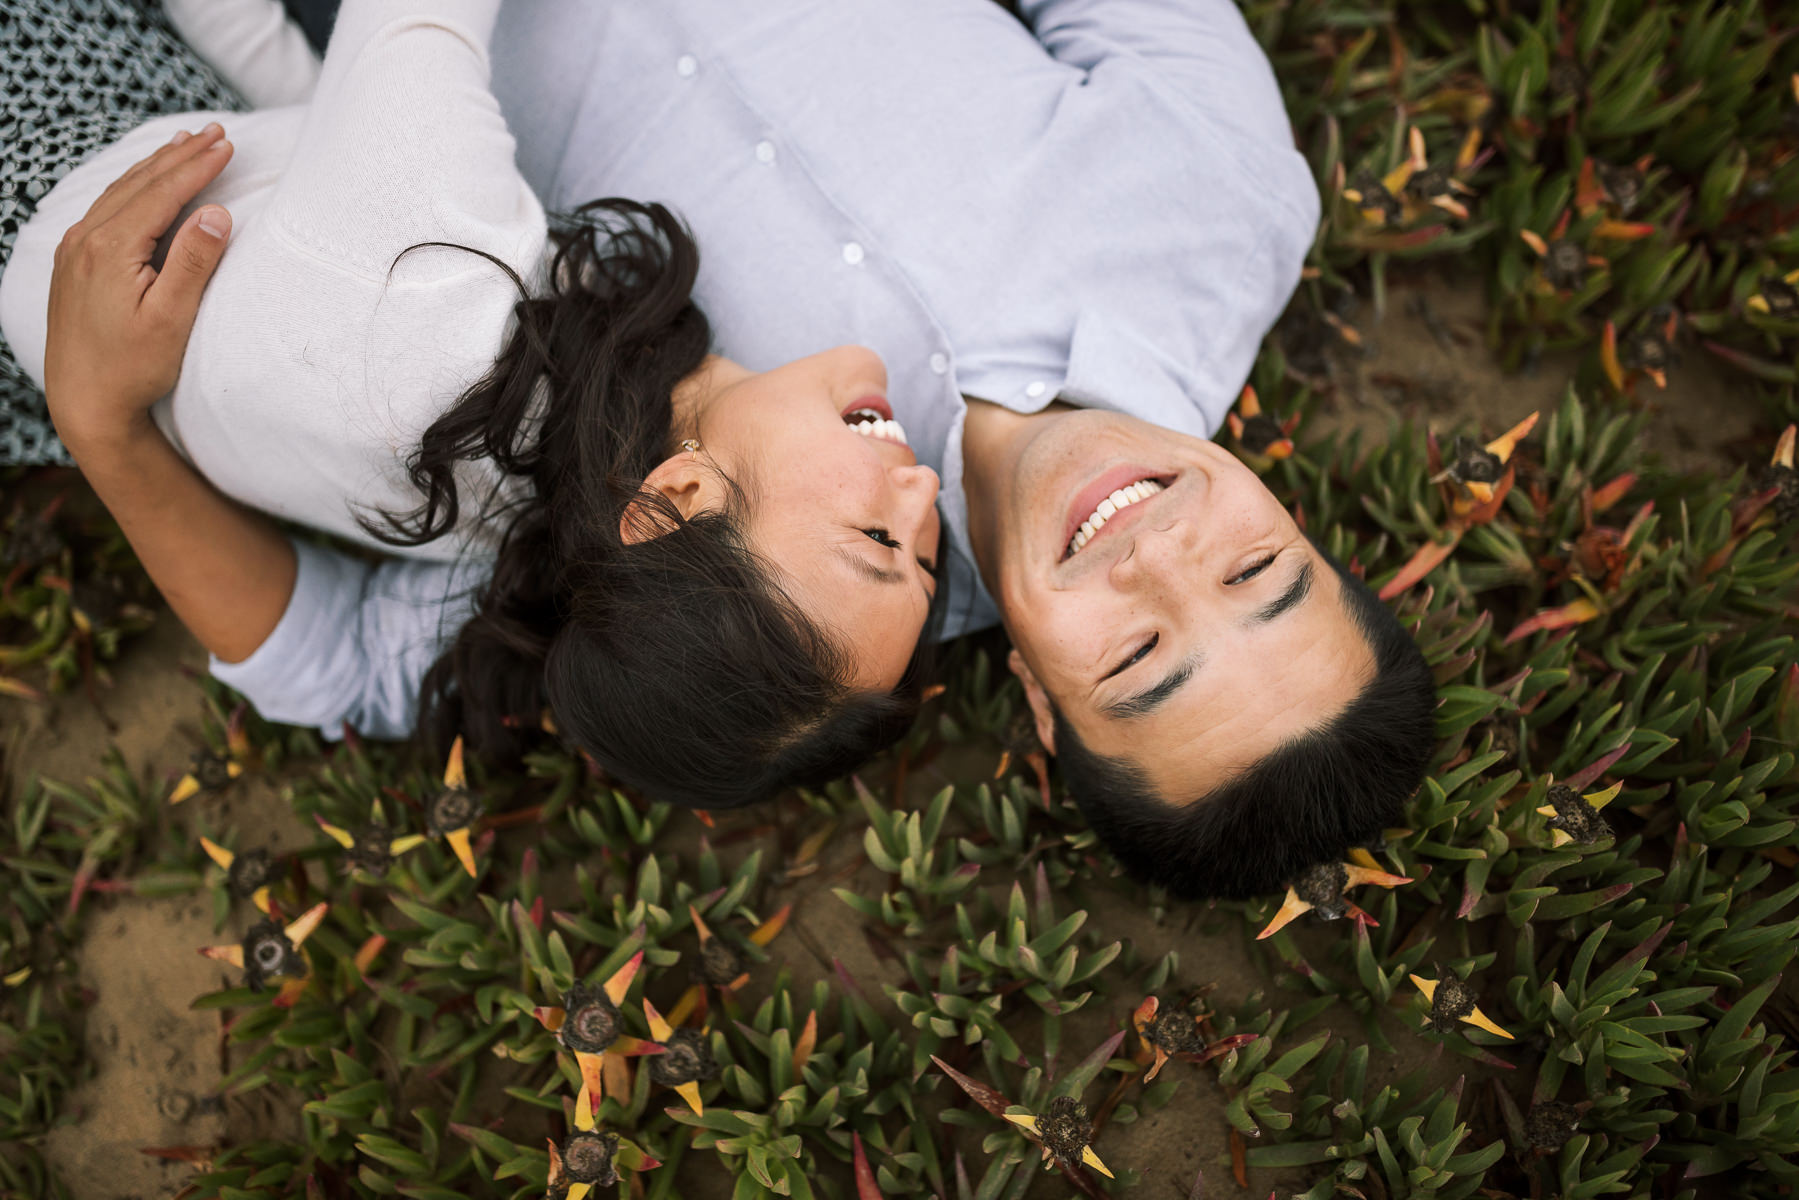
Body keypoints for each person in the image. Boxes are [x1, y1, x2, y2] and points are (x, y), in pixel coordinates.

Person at [17, 0, 1441, 900]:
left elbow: (351, 666)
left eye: (1137, 658)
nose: (1158, 557)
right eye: (1258, 568)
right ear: (1297, 524)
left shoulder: (778, 598)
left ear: (1045, 710)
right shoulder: (1225, 204)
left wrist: (106, 430)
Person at [0, 0, 945, 810]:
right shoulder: (553, 543)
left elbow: (335, 661)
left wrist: (104, 430)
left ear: (681, 499)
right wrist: (101, 429)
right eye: (928, 562)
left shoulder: (436, 276)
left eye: (877, 541)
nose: (925, 489)